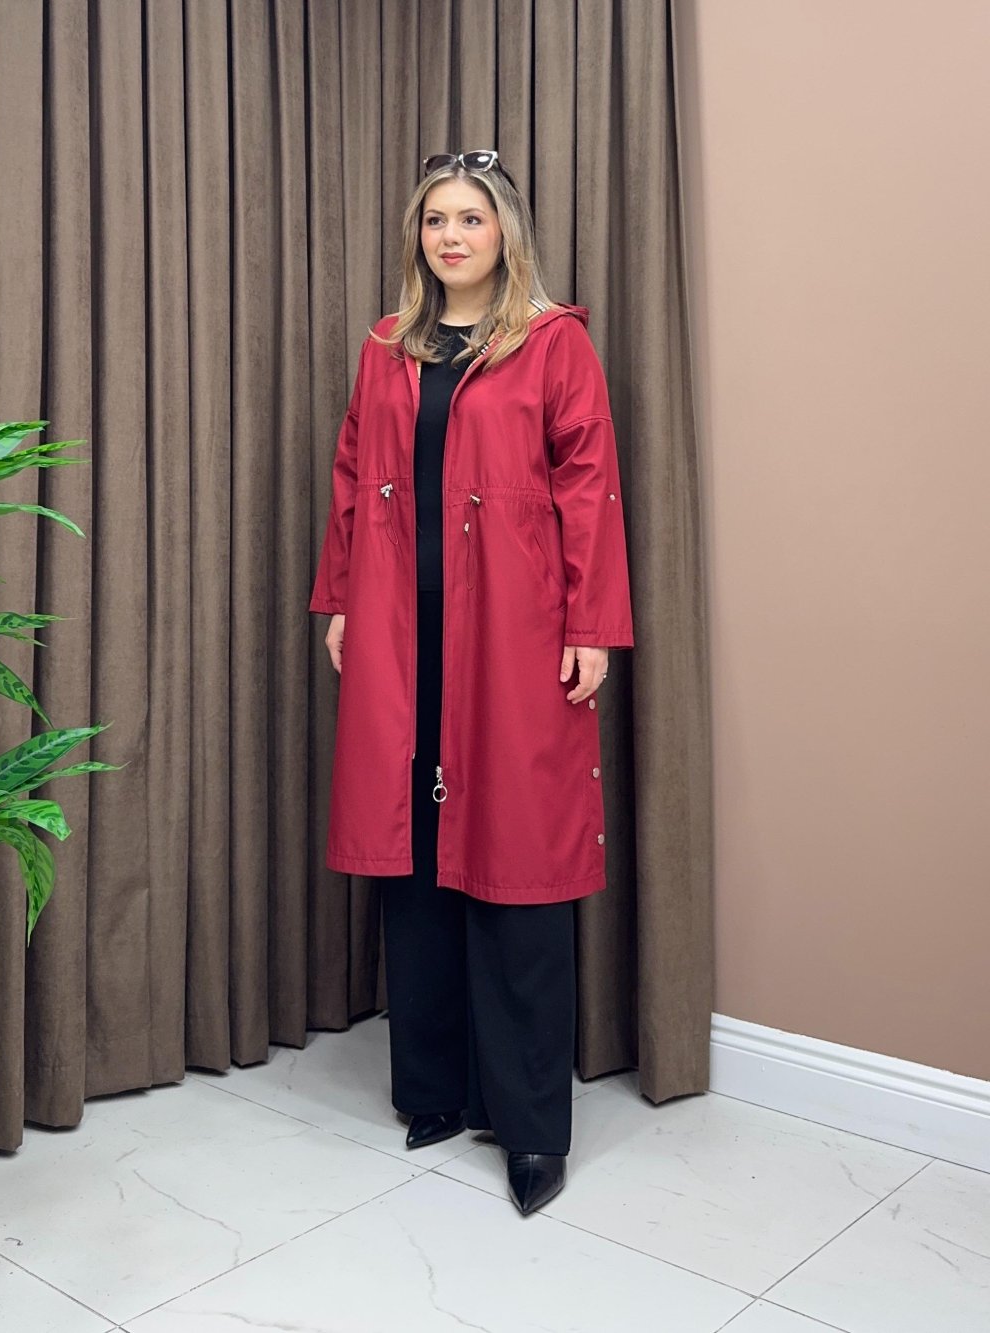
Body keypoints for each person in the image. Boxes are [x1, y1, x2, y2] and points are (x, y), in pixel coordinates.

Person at [309, 149, 633, 1216]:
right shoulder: (387, 348)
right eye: (435, 220)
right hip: (400, 629)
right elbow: (354, 475)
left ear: (505, 235)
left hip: (514, 631)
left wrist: (591, 623)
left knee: (518, 860)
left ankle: (529, 1124)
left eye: (471, 220)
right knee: (412, 856)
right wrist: (342, 599)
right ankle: (434, 1090)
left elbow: (588, 484)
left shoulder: (552, 343)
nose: (451, 237)